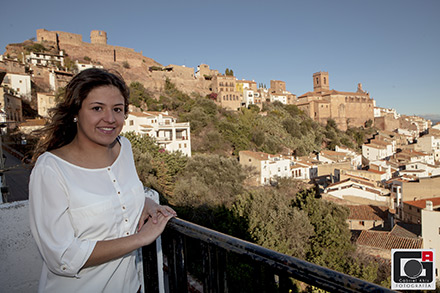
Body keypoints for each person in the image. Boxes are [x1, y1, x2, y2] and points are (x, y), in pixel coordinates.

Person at [29, 68, 176, 292]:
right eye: (97, 108)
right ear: (75, 112)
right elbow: (61, 256)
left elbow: (118, 192)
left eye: (117, 109)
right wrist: (140, 239)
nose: (110, 118)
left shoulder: (124, 147)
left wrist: (148, 204)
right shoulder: (51, 168)